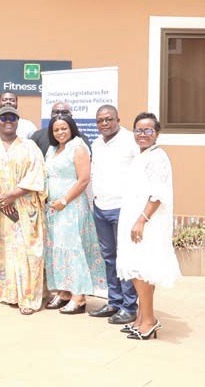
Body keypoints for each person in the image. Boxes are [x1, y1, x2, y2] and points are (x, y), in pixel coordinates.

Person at [0, 106, 46, 315]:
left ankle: (27, 296)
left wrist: (12, 195)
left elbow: (37, 173)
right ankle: (1, 292)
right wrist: (1, 197)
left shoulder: (30, 146)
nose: (8, 121)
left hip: (22, 208)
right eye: (4, 118)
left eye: (12, 118)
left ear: (17, 121)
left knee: (25, 251)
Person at [116, 112, 181, 340]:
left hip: (147, 223)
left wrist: (142, 219)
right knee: (140, 270)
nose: (142, 134)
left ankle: (150, 320)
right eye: (138, 130)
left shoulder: (158, 157)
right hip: (135, 219)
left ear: (157, 133)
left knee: (142, 270)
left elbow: (158, 193)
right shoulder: (141, 155)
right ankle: (141, 318)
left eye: (148, 130)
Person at [43, 115, 106, 314]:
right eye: (56, 130)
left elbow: (83, 180)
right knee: (57, 249)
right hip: (54, 209)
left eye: (64, 128)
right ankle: (63, 292)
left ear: (71, 129)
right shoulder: (52, 149)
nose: (60, 132)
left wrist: (64, 200)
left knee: (73, 249)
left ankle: (79, 297)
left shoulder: (78, 147)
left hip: (71, 207)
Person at [87, 105, 139, 324]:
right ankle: (114, 302)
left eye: (108, 119)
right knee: (109, 258)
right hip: (101, 208)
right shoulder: (96, 143)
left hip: (123, 208)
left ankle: (129, 307)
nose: (104, 124)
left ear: (118, 118)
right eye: (100, 121)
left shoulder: (131, 140)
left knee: (125, 258)